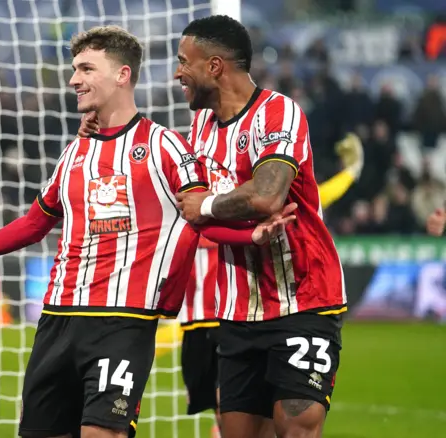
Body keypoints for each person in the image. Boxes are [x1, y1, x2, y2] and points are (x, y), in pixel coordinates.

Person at [0, 25, 294, 438]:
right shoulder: (76, 151)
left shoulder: (166, 148)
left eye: (86, 69)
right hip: (57, 320)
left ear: (122, 74)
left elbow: (201, 219)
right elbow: (36, 223)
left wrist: (249, 236)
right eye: (75, 69)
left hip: (123, 324)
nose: (74, 79)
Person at [172, 16, 346, 438]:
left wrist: (209, 203)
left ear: (214, 66)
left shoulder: (277, 112)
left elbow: (268, 195)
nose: (178, 73)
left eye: (184, 62)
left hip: (303, 300)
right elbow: (196, 219)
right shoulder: (200, 128)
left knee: (296, 428)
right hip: (235, 311)